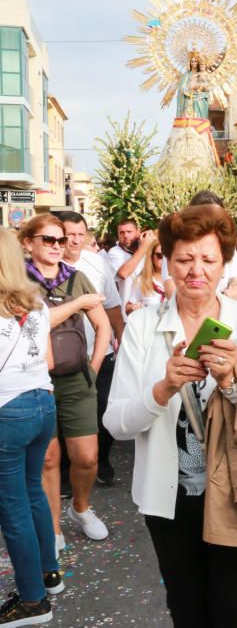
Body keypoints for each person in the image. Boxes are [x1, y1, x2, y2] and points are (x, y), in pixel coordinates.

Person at [104, 203, 237, 627]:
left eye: (208, 259)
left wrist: (232, 381)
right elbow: (116, 424)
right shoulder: (143, 326)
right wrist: (162, 389)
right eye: (184, 259)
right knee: (187, 610)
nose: (196, 271)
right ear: (167, 261)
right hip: (169, 501)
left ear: (225, 263)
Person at [21, 214, 113, 551]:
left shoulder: (77, 278)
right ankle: (54, 528)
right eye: (49, 240)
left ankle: (81, 508)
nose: (59, 246)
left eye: (61, 240)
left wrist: (94, 365)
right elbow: (33, 323)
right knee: (48, 458)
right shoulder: (17, 282)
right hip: (35, 381)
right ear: (27, 242)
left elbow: (104, 325)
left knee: (87, 457)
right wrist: (77, 304)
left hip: (77, 378)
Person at [0, 228, 63, 627]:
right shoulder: (36, 302)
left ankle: (33, 601)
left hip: (8, 411)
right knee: (31, 491)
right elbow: (48, 359)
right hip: (42, 403)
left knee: (13, 507)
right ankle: (48, 573)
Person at [57, 211, 125, 486]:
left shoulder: (97, 263)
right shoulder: (47, 266)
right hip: (62, 357)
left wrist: (122, 340)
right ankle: (64, 473)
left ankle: (101, 460)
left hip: (101, 352)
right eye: (68, 234)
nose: (74, 240)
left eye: (80, 235)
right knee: (63, 420)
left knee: (104, 410)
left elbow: (112, 306)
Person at [124, 239, 167, 314]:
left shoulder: (178, 279)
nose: (164, 259)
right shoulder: (142, 280)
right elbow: (128, 308)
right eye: (160, 255)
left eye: (167, 255)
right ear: (151, 257)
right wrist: (133, 307)